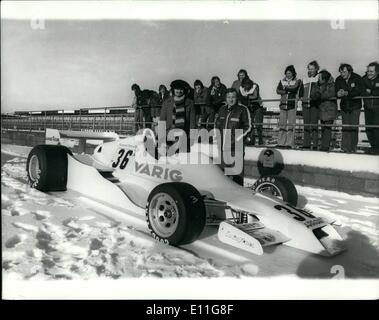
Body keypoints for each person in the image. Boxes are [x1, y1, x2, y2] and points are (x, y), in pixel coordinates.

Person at [216, 88, 252, 186]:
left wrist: (235, 138)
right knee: (222, 177)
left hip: (236, 149)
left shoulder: (242, 109)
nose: (231, 99)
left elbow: (248, 127)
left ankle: (238, 199)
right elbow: (217, 124)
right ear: (226, 98)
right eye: (229, 97)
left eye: (233, 97)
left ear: (237, 98)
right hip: (222, 149)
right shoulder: (222, 109)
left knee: (237, 178)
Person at [159, 79, 196, 151]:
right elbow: (162, 121)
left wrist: (192, 138)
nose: (179, 91)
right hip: (169, 136)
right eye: (177, 89)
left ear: (184, 90)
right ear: (173, 90)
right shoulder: (167, 103)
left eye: (181, 89)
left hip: (184, 136)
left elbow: (192, 123)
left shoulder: (190, 103)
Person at [335, 63, 364, 153]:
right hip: (344, 106)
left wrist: (348, 93)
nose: (342, 74)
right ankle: (344, 147)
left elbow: (359, 90)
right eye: (340, 72)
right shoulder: (338, 79)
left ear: (349, 71)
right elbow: (336, 90)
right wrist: (338, 93)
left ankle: (352, 148)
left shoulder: (357, 78)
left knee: (354, 127)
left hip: (355, 106)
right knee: (345, 127)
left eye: (344, 72)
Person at [276, 65, 302, 149]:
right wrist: (287, 90)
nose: (288, 75)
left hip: (291, 105)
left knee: (291, 125)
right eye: (286, 73)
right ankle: (281, 142)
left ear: (293, 73)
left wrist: (286, 88)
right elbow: (278, 90)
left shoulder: (297, 81)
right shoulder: (282, 81)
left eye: (290, 73)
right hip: (283, 105)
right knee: (282, 124)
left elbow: (294, 88)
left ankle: (289, 143)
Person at [312, 70, 337, 151]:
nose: (318, 78)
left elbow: (331, 94)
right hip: (322, 109)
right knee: (323, 128)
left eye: (320, 77)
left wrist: (319, 95)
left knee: (327, 128)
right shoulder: (317, 85)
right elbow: (313, 94)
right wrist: (317, 95)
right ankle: (323, 145)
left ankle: (325, 146)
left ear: (324, 78)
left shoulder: (331, 85)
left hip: (329, 109)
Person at [300, 60, 320, 150]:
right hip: (305, 104)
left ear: (316, 69)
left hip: (314, 105)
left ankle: (315, 145)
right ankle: (306, 144)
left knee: (314, 125)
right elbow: (301, 92)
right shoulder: (304, 79)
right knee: (306, 125)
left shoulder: (318, 78)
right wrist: (301, 97)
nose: (310, 71)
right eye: (309, 69)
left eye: (312, 69)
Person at [238, 77, 264, 145]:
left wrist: (246, 97)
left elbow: (255, 96)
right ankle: (251, 141)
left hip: (257, 107)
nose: (247, 86)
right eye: (245, 84)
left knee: (258, 124)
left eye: (248, 84)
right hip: (249, 107)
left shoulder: (255, 86)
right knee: (250, 124)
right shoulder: (241, 88)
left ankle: (260, 140)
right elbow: (240, 97)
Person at [362, 62, 379, 155]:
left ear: (377, 72)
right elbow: (360, 90)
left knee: (376, 128)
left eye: (371, 71)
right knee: (368, 128)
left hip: (378, 107)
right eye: (368, 71)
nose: (369, 73)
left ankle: (377, 149)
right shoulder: (363, 79)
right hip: (368, 107)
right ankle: (373, 147)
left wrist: (371, 91)